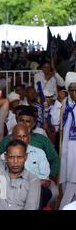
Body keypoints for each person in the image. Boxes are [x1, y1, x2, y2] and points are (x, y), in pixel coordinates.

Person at [0, 89, 41, 210]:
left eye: (19, 157)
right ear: (5, 157)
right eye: (11, 157)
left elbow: (31, 207)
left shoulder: (33, 180)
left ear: (26, 157)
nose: (15, 161)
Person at [11, 124, 53, 208]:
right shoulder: (6, 154)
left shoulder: (39, 153)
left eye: (24, 136)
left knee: (41, 192)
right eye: (18, 136)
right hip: (14, 187)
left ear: (29, 138)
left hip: (37, 186)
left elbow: (44, 176)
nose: (22, 139)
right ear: (12, 138)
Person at [59, 72, 76, 209]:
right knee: (66, 176)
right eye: (72, 90)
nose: (75, 93)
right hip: (66, 145)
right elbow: (55, 121)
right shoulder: (65, 103)